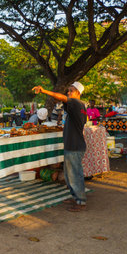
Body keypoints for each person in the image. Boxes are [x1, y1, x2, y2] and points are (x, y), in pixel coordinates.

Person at [33, 81, 87, 212]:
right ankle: (75, 197)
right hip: (73, 145)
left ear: (78, 93)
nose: (68, 93)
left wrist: (44, 90)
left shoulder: (76, 103)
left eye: (71, 90)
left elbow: (61, 97)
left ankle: (80, 201)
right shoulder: (78, 106)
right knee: (69, 174)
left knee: (75, 174)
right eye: (68, 90)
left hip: (74, 145)